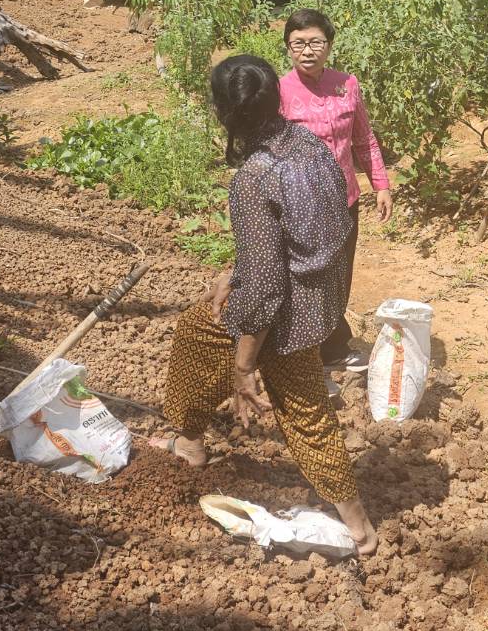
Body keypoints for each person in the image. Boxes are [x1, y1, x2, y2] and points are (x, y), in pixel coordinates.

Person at [153, 54, 378, 556]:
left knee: (303, 411)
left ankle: (359, 527)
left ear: (223, 114)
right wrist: (236, 271)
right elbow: (311, 232)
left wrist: (244, 364)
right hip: (320, 302)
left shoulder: (254, 176)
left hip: (285, 315)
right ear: (276, 98)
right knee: (196, 331)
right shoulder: (309, 145)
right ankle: (189, 440)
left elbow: (265, 287)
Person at [277, 8, 392, 371]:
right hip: (301, 202)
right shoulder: (279, 91)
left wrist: (381, 184)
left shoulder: (348, 85)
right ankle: (304, 350)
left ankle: (334, 350)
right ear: (288, 48)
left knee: (341, 275)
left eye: (316, 42)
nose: (307, 51)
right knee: (307, 277)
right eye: (298, 44)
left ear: (329, 46)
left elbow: (364, 140)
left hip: (344, 200)